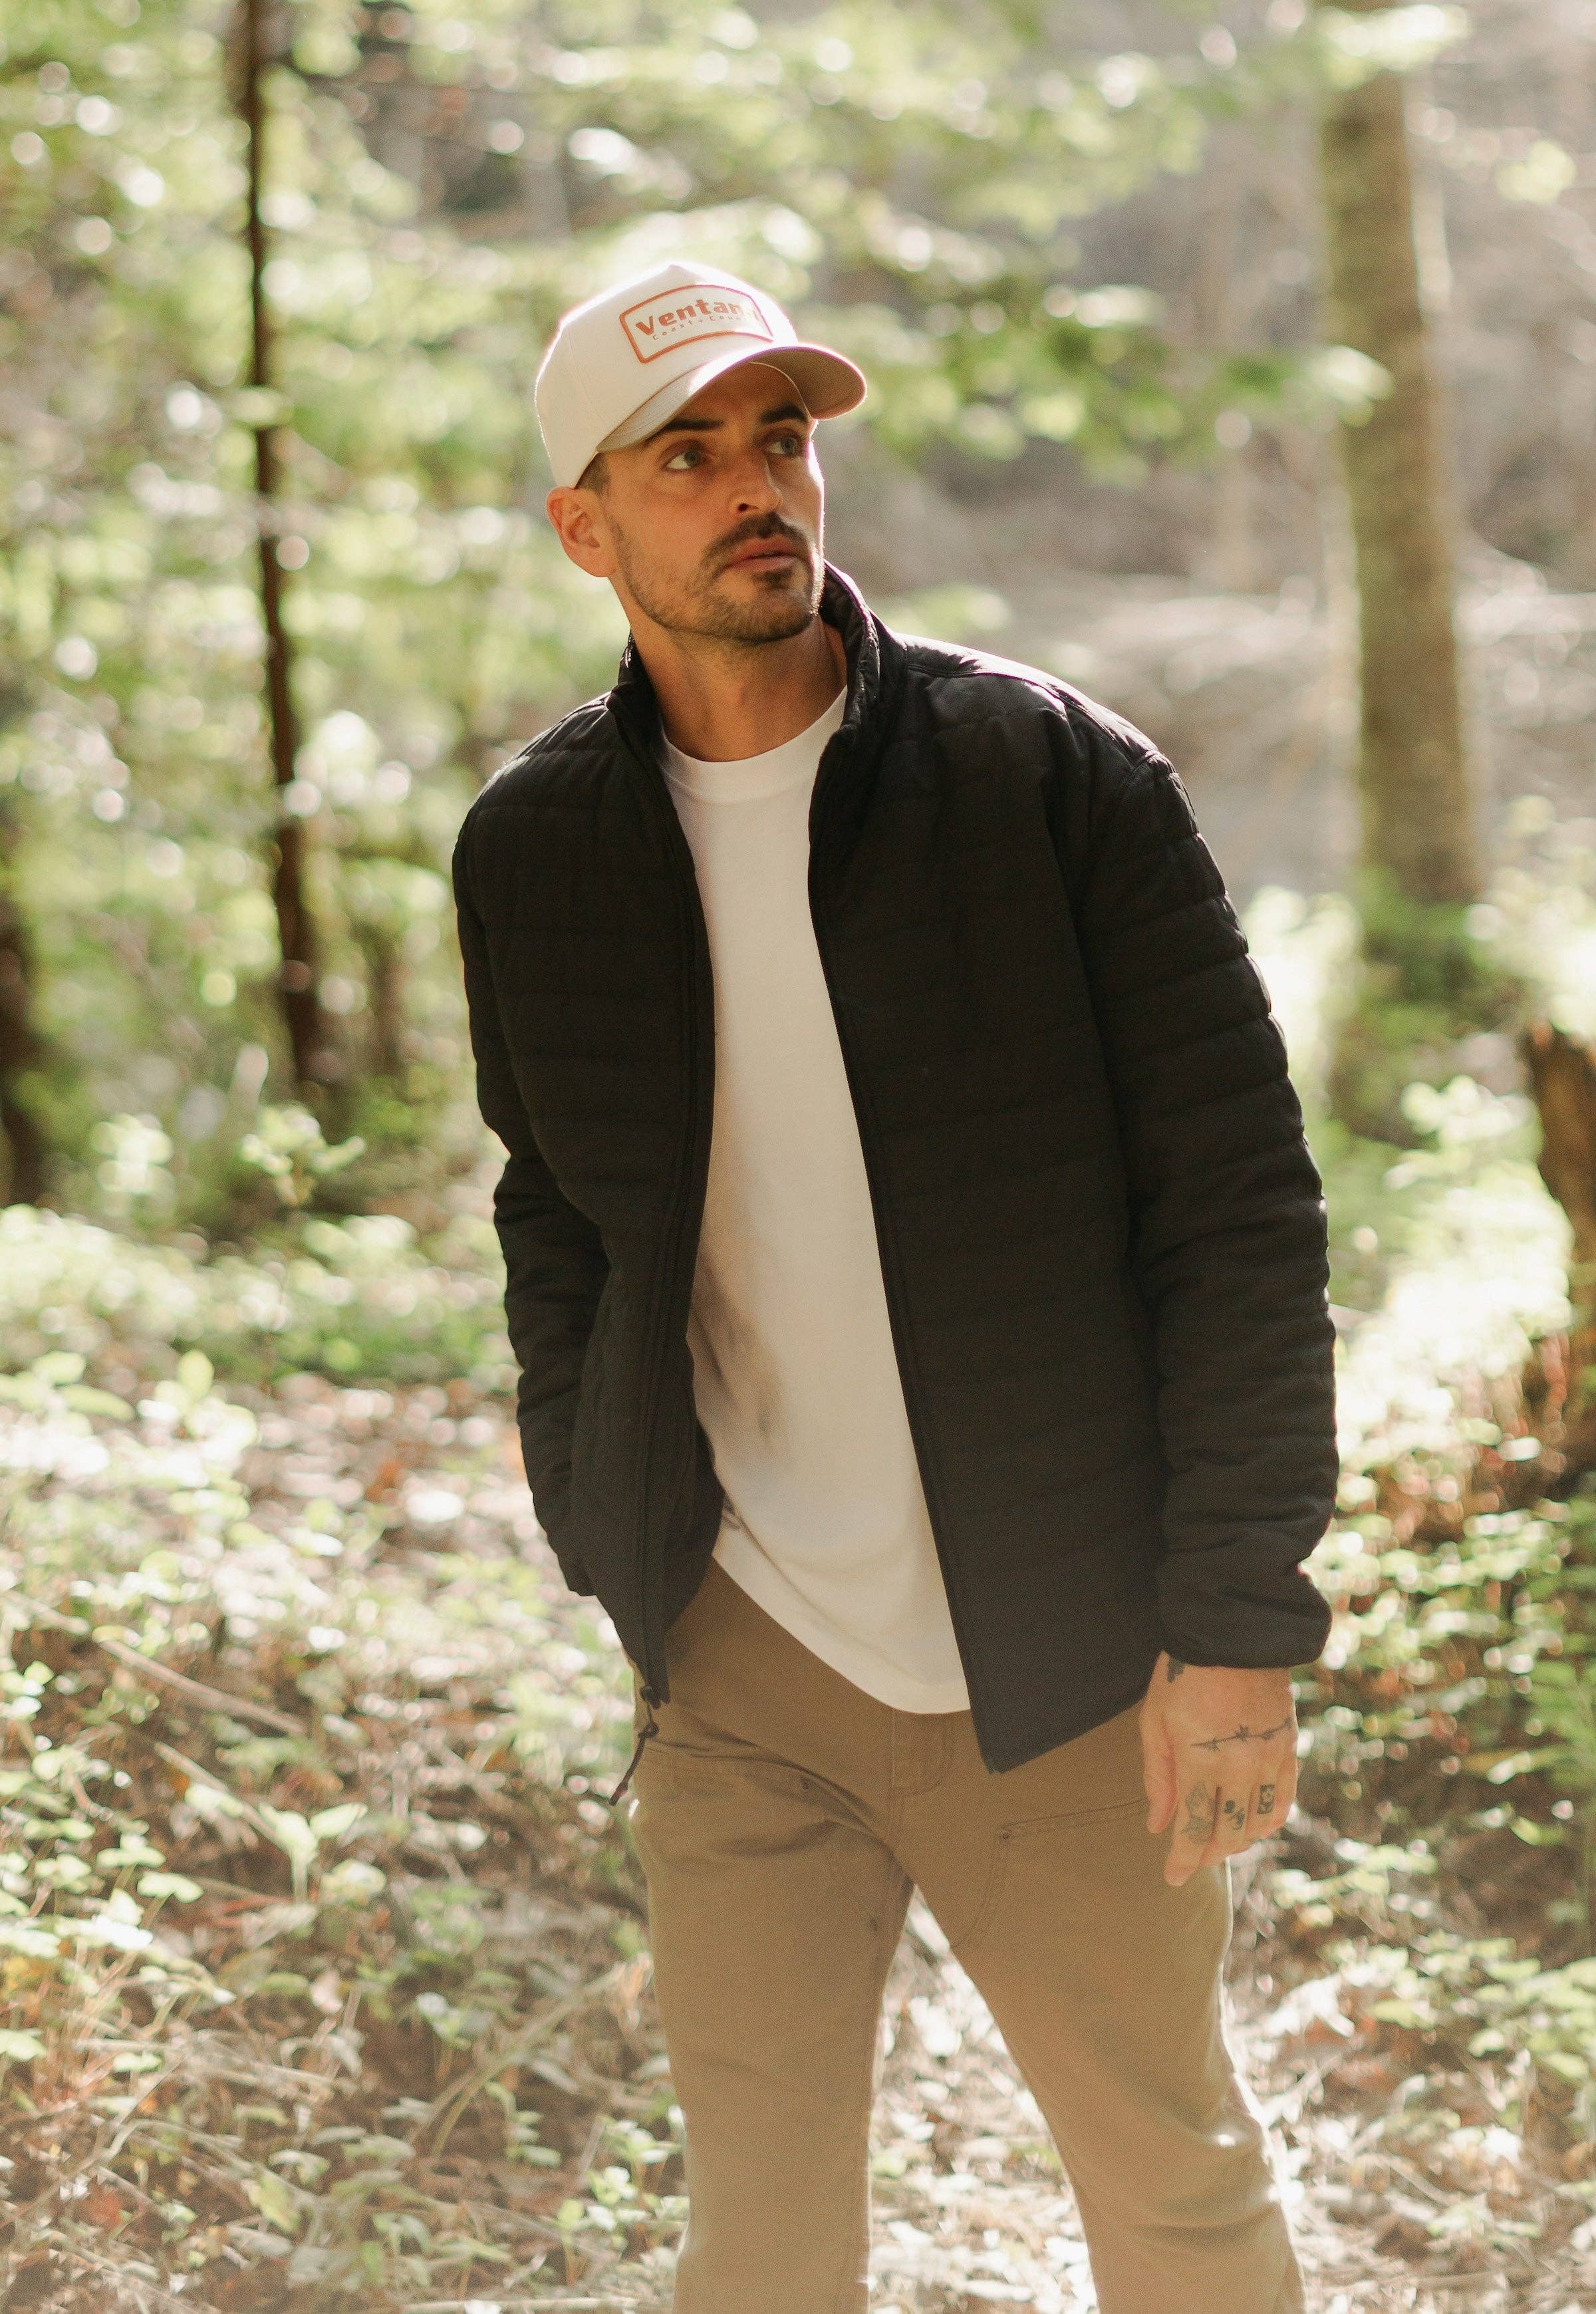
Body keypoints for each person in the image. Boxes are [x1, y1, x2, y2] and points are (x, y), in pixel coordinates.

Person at [452, 258, 1338, 2314]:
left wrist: (1233, 1619)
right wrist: (614, 1537)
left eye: (782, 440)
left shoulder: (1049, 778)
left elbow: (1238, 1213)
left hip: (1066, 1663)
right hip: (744, 1667)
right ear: (587, 527)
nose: (759, 488)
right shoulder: (538, 850)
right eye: (689, 456)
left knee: (1177, 2202)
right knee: (759, 2249)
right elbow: (557, 1218)